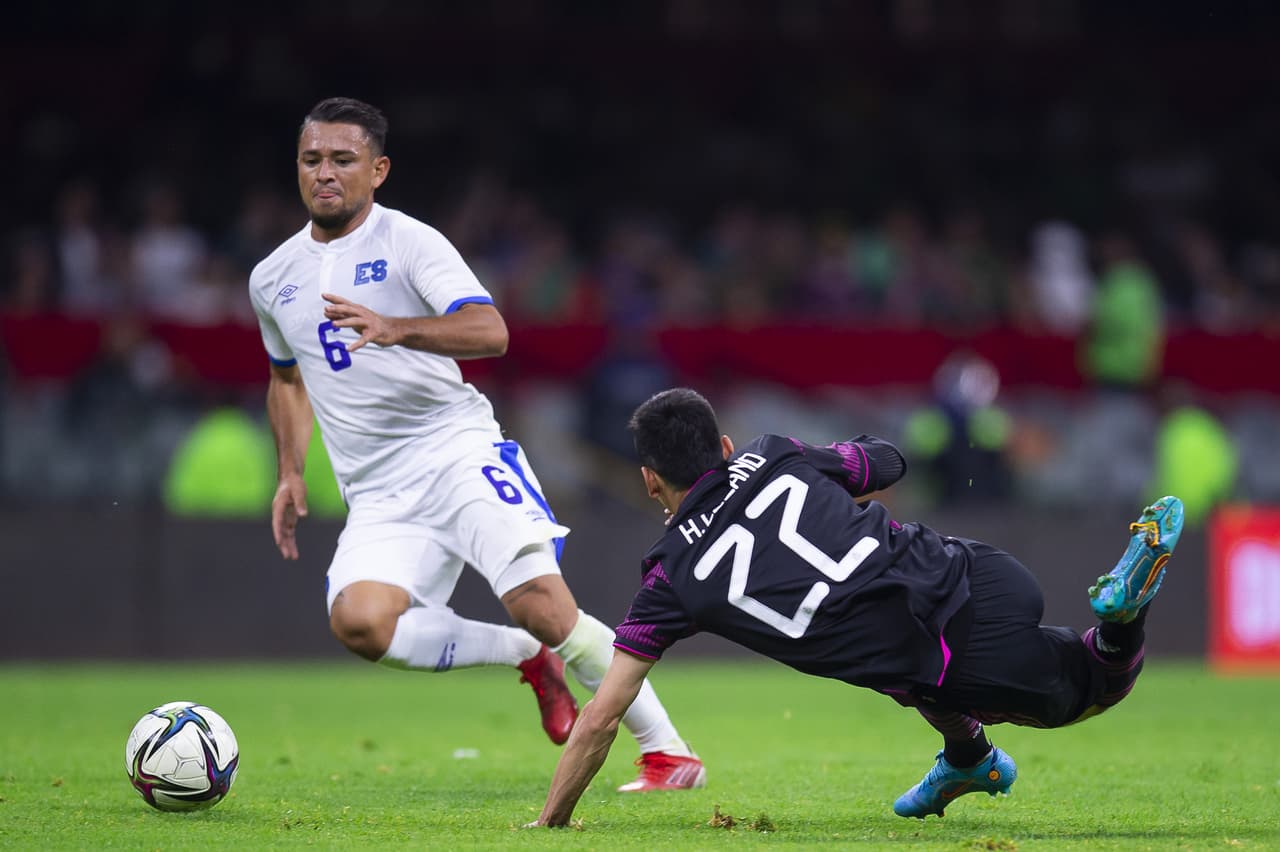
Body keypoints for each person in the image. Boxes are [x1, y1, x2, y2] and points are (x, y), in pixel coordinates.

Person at [248, 97, 704, 791]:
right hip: (377, 492)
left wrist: (397, 327)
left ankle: (669, 753)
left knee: (545, 605)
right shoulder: (272, 278)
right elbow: (286, 380)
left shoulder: (409, 243)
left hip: (455, 449)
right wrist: (289, 472)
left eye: (343, 160)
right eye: (312, 160)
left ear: (378, 170)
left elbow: (491, 331)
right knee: (363, 625)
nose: (325, 174)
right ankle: (525, 656)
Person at [530, 388, 1183, 825]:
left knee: (1092, 689)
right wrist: (849, 456)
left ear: (650, 480)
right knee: (897, 662)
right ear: (724, 446)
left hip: (951, 647)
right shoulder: (774, 454)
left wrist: (549, 821)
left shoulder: (669, 578)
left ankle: (1122, 618)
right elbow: (888, 462)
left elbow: (601, 718)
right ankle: (967, 761)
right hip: (975, 567)